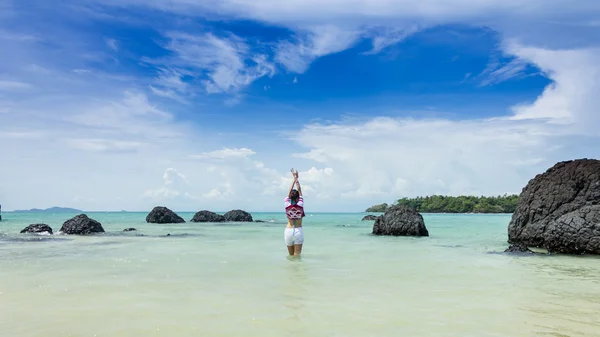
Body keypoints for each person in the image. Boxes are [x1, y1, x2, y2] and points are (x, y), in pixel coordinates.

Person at [284, 168, 305, 256]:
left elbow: (289, 192)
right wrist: (296, 178)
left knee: (291, 256)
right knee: (297, 256)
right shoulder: (300, 204)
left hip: (288, 230)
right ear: (297, 198)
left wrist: (293, 178)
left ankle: (290, 269)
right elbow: (300, 191)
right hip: (298, 231)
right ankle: (297, 269)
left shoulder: (287, 204)